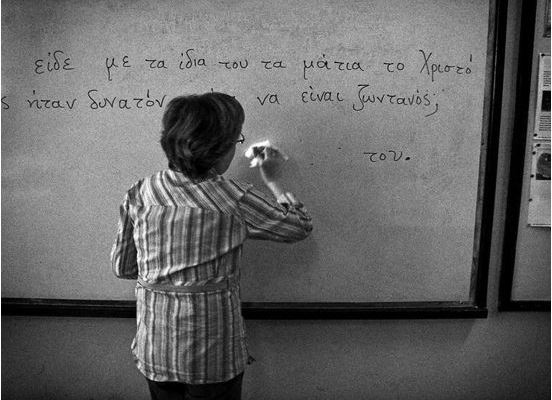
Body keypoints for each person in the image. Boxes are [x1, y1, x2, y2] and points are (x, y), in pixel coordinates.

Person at [110, 92, 313, 400]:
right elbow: (299, 227)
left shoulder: (140, 193)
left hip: (156, 347)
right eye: (235, 140)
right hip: (213, 354)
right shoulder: (233, 197)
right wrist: (272, 181)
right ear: (219, 149)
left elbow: (123, 267)